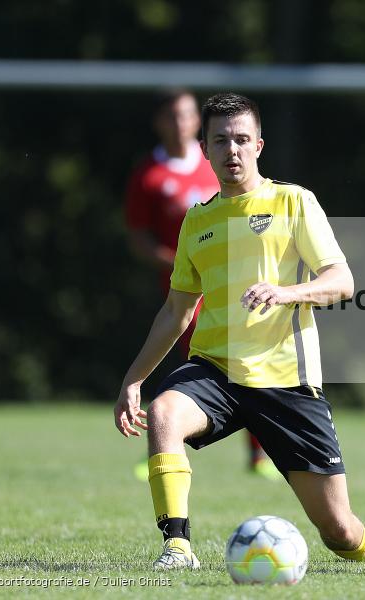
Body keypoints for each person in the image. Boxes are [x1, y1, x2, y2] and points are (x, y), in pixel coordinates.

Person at [113, 92, 365, 570]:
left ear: (259, 145)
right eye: (221, 141)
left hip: (287, 381)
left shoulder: (294, 201)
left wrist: (286, 293)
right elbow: (176, 309)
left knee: (339, 533)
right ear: (205, 149)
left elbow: (342, 281)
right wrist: (134, 378)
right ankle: (176, 547)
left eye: (241, 140)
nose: (231, 150)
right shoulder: (197, 221)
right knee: (165, 414)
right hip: (216, 371)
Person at [124, 88, 278, 481]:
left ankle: (260, 454)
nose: (182, 122)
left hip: (239, 283)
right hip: (186, 289)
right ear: (161, 122)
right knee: (200, 360)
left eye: (188, 115)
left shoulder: (220, 163)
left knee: (247, 358)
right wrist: (179, 263)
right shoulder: (150, 175)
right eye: (174, 115)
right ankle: (165, 439)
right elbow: (138, 236)